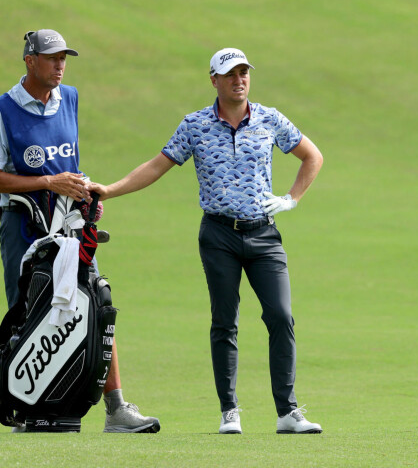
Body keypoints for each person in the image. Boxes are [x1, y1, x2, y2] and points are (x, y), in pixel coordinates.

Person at [88, 48, 325, 434]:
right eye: (230, 74)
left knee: (281, 316)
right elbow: (157, 166)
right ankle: (229, 411)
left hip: (264, 234)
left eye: (244, 72)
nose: (239, 80)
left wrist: (291, 199)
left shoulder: (269, 118)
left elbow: (312, 156)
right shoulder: (195, 125)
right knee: (225, 322)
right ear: (214, 80)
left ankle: (288, 412)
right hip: (218, 235)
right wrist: (109, 191)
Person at [0, 29, 160, 433]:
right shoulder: (2, 110)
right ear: (30, 61)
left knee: (95, 302)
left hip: (70, 224)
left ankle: (116, 409)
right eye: (52, 58)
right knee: (28, 310)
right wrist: (48, 183)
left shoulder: (70, 98)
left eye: (64, 58)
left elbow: (69, 164)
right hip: (23, 225)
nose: (60, 66)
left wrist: (85, 193)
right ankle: (25, 408)